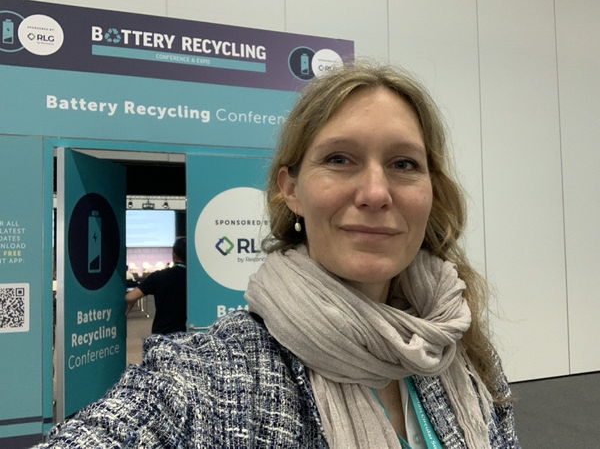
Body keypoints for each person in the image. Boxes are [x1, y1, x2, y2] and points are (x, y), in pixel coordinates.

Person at [37, 64, 519, 448]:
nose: (376, 192)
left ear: (432, 190)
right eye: (339, 159)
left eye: (404, 163)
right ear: (291, 189)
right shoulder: (208, 379)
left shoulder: (459, 346)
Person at [125, 237, 187, 334]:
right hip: (188, 334)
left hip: (162, 334)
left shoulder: (158, 276)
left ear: (174, 254)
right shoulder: (195, 279)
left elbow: (130, 297)